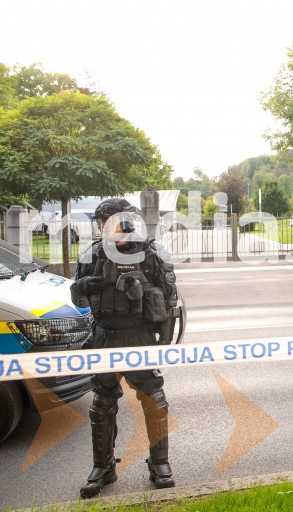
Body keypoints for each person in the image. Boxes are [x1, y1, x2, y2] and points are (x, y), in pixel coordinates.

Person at [70, 198, 179, 498]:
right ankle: (103, 467)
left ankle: (160, 464)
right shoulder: (91, 254)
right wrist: (86, 286)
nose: (103, 227)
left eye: (108, 221)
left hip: (140, 338)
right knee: (101, 404)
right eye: (102, 222)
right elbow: (77, 300)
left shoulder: (151, 252)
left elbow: (170, 301)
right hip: (104, 337)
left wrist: (164, 344)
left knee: (154, 401)